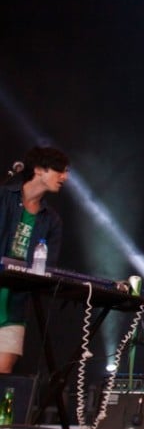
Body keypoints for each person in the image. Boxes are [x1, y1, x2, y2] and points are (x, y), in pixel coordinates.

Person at [0, 146, 69, 373]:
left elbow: (48, 269)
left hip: (14, 306)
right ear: (39, 170)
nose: (64, 177)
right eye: (59, 170)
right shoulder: (4, 197)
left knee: (3, 373)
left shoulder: (52, 221)